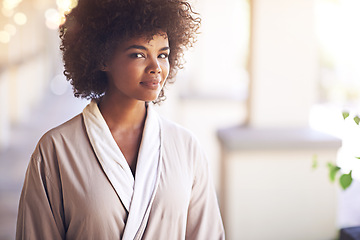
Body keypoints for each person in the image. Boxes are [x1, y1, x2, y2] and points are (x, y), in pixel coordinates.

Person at [16, 0, 225, 239]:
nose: (156, 67)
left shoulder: (186, 147)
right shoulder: (56, 150)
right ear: (103, 58)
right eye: (138, 54)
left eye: (163, 54)